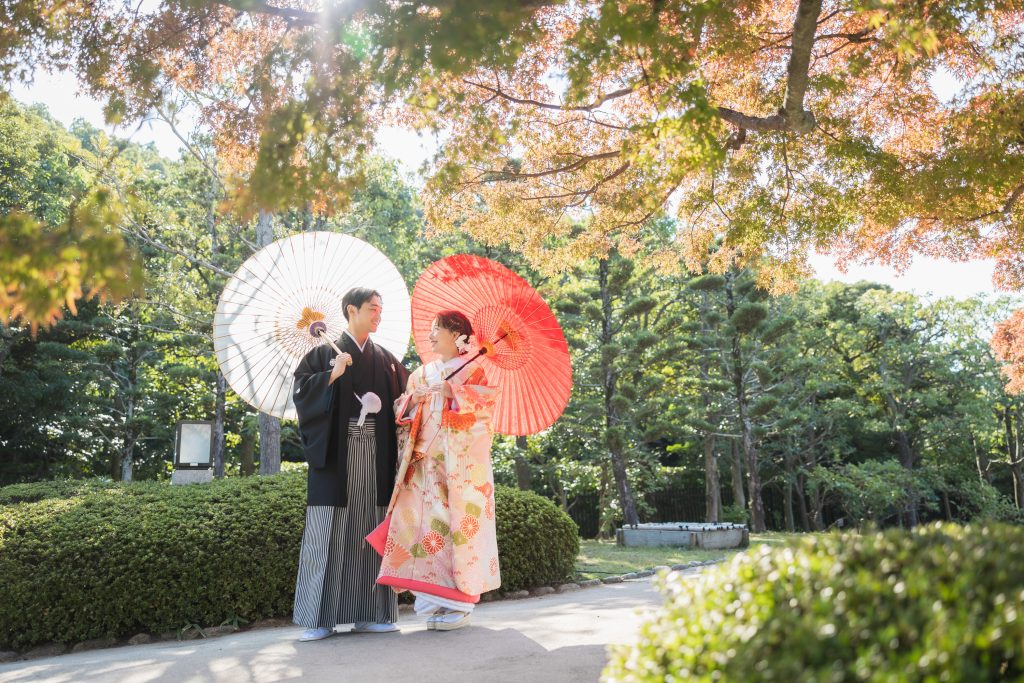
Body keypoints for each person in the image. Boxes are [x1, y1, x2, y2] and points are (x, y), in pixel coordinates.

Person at [291, 287, 409, 641]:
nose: (378, 313)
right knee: (329, 533)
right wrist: (332, 374)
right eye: (373, 308)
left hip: (377, 457)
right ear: (351, 310)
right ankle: (319, 618)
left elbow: (403, 405)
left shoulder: (386, 359)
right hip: (337, 457)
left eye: (380, 308)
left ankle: (372, 613)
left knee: (372, 529)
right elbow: (301, 394)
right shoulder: (323, 355)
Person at [371, 310, 500, 631]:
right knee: (416, 529)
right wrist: (412, 401)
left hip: (455, 469)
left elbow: (484, 414)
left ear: (457, 336)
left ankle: (458, 605)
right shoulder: (421, 373)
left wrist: (455, 393)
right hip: (420, 464)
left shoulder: (474, 374)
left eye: (436, 330)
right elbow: (400, 411)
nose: (429, 336)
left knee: (455, 530)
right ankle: (431, 602)